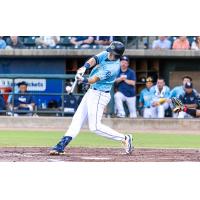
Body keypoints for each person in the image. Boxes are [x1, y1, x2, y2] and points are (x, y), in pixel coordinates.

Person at [50, 41, 133, 155]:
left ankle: (124, 138)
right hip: (92, 92)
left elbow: (93, 79)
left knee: (95, 127)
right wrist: (84, 67)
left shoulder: (113, 68)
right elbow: (94, 59)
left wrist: (82, 79)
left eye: (111, 52)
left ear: (116, 54)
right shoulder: (107, 53)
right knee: (77, 120)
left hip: (100, 94)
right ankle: (61, 145)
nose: (109, 53)